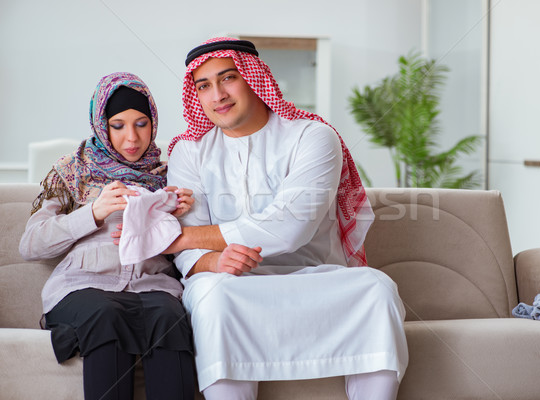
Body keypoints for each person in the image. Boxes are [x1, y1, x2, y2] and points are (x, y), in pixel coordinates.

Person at [166, 37, 409, 400]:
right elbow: (189, 235)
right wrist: (211, 259)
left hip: (312, 280)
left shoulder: (312, 137)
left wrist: (179, 239)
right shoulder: (189, 150)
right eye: (204, 86)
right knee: (211, 297)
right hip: (231, 284)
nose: (217, 95)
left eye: (228, 78)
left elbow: (286, 228)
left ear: (253, 77)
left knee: (377, 290)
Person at [19, 72, 196, 400]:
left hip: (153, 286)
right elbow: (31, 244)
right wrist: (94, 213)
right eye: (118, 125)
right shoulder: (73, 170)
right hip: (84, 287)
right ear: (102, 124)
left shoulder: (168, 175)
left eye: (141, 123)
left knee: (170, 316)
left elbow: (187, 246)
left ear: (153, 122)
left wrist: (180, 216)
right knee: (105, 313)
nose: (132, 137)